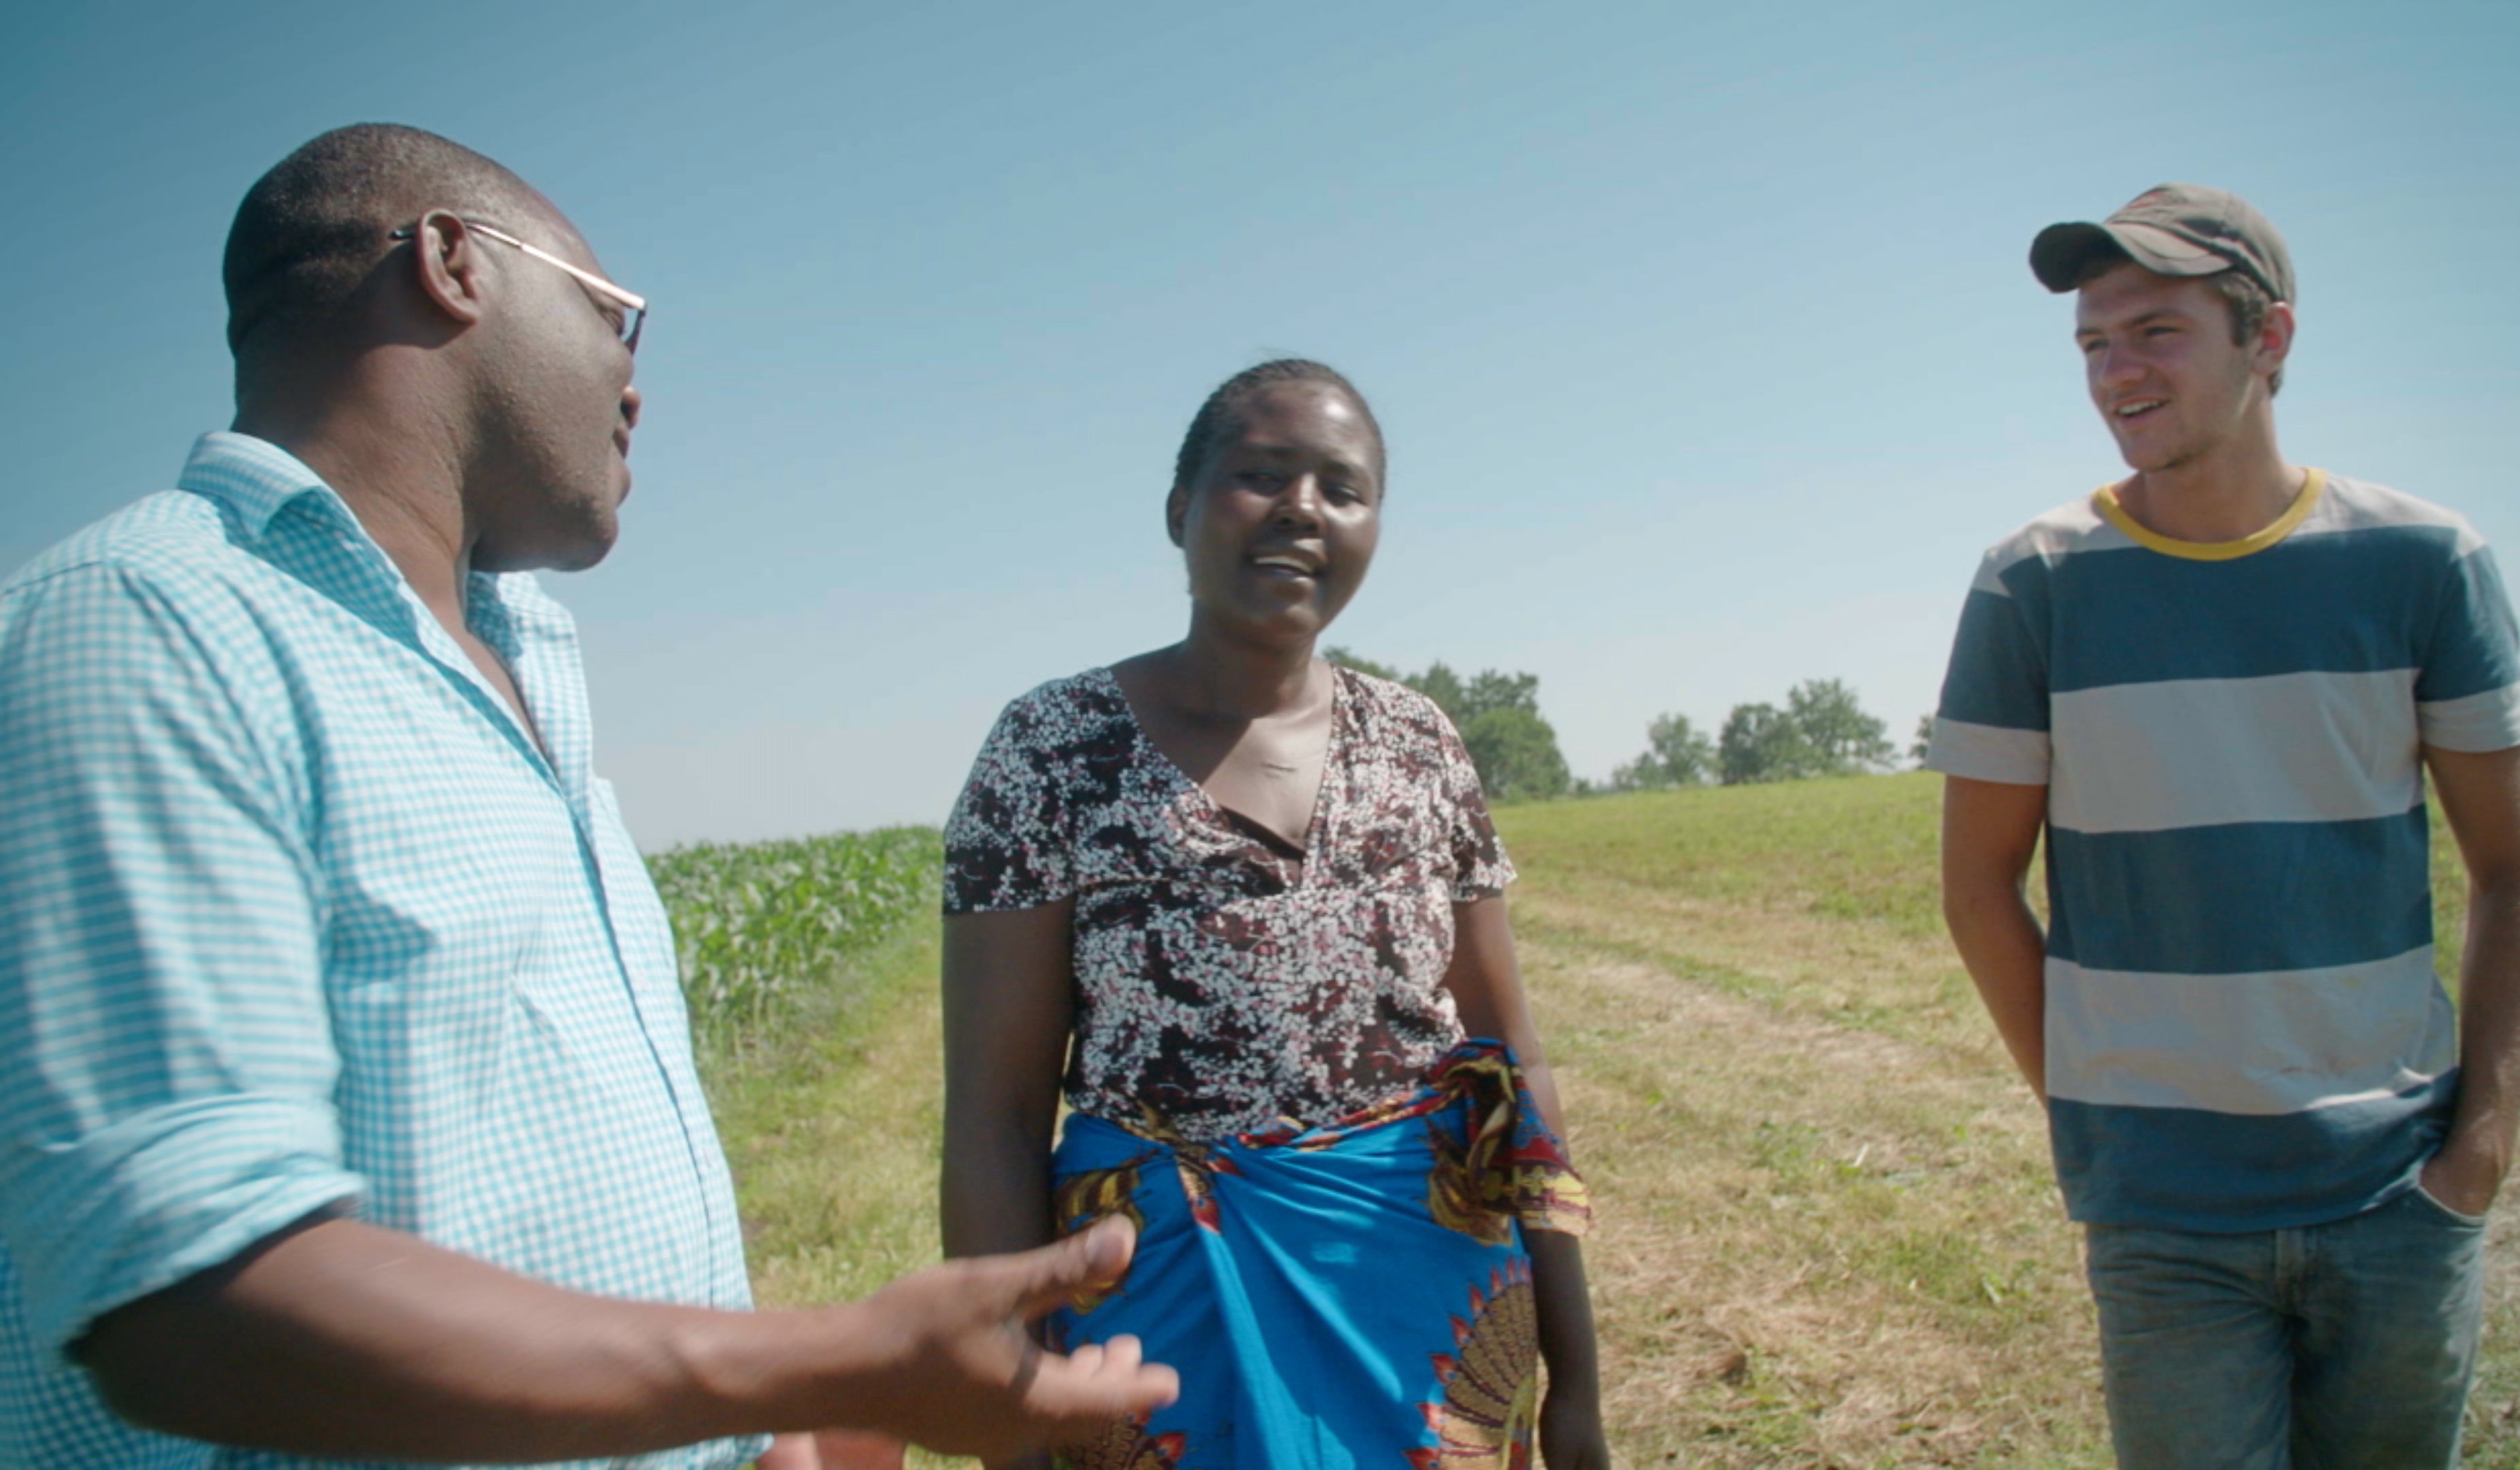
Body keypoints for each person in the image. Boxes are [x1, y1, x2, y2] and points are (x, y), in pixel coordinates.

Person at [0, 123, 1175, 1470]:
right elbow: (189, 1305)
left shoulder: (516, 665)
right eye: (619, 321)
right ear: (452, 262)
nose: (635, 385)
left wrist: (768, 1434)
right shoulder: (149, 625)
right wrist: (828, 1365)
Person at [1926, 183, 2520, 1467]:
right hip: (2164, 1215)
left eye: (2155, 332)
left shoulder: (2421, 562)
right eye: (2094, 345)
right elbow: (1978, 886)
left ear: (2267, 340)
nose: (2116, 374)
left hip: (2399, 1193)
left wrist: (2478, 1155)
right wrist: (2093, 1113)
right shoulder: (2032, 583)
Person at [939, 360, 1607, 1470]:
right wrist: (1015, 1411)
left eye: (1343, 489)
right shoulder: (1048, 751)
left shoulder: (1420, 744)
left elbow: (1513, 1068)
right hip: (1160, 1301)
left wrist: (1577, 1375)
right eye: (1260, 475)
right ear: (1178, 512)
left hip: (1424, 1301)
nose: (1303, 508)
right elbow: (997, 1118)